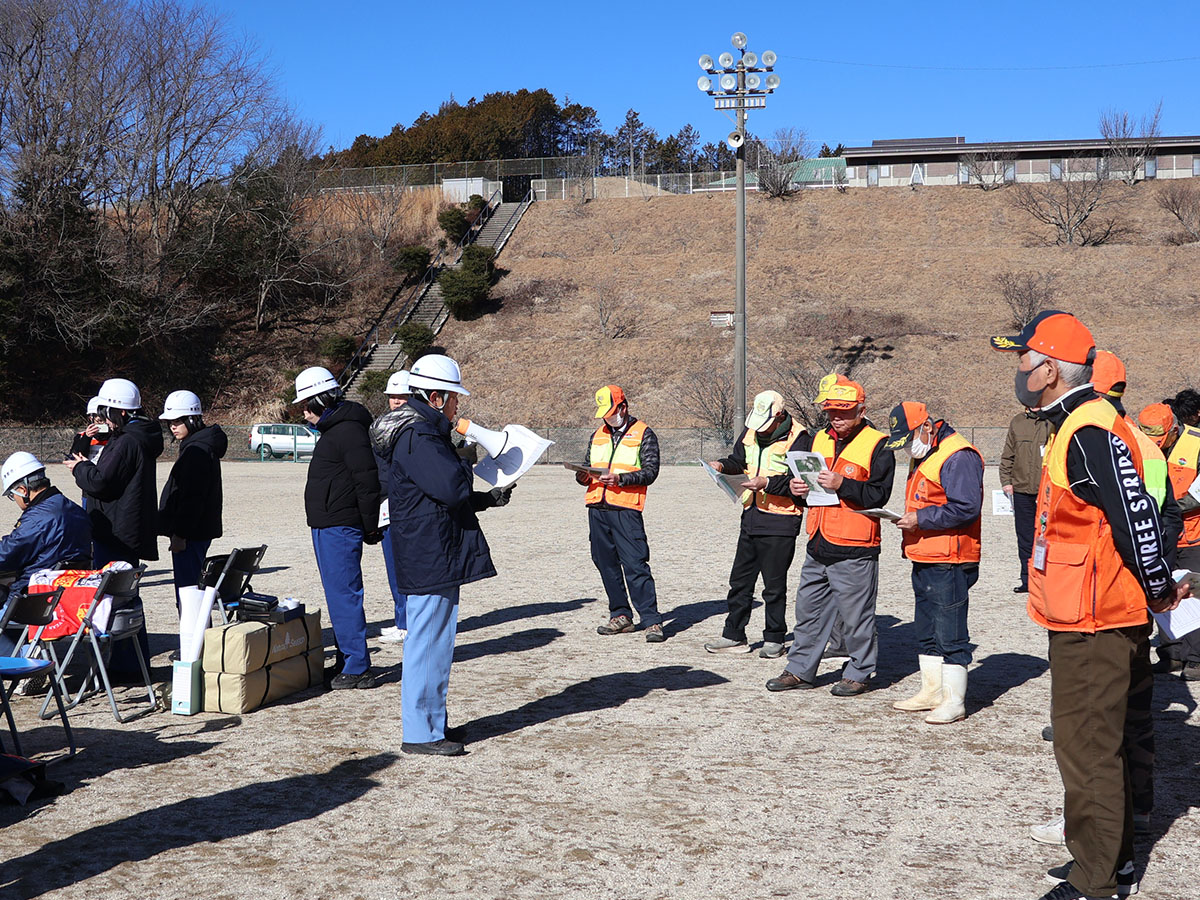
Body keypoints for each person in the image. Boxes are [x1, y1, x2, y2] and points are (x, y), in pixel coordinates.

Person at [991, 311, 1188, 900]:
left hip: (1096, 618)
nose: (1020, 369)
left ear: (1049, 368)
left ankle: (1094, 879)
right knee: (1107, 742)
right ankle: (1114, 860)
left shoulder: (1087, 429)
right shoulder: (1085, 422)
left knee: (1087, 749)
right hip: (1094, 611)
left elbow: (1136, 520)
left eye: (1024, 359)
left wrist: (1157, 588)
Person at [380, 354, 512, 757]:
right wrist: (464, 454)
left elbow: (438, 493)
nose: (458, 407)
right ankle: (421, 732)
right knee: (427, 642)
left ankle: (431, 721)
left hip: (431, 545)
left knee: (436, 640)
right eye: (454, 398)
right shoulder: (419, 435)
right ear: (436, 398)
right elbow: (450, 488)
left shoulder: (417, 431)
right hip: (429, 549)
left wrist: (485, 500)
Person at [766, 375, 895, 697]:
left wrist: (843, 485)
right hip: (818, 541)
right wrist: (797, 490)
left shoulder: (879, 444)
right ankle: (799, 670)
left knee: (856, 619)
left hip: (855, 547)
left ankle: (860, 672)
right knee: (807, 613)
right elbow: (806, 488)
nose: (837, 418)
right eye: (832, 412)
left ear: (861, 410)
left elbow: (879, 495)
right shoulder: (817, 439)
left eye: (844, 411)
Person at [886, 401, 983, 724]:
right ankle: (931, 691)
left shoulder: (959, 455)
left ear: (927, 426)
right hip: (926, 553)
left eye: (909, 437)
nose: (907, 448)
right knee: (927, 629)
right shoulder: (927, 451)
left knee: (951, 632)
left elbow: (966, 507)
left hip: (951, 558)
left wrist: (920, 518)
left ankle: (954, 701)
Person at [64, 377, 162, 675]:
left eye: (106, 412)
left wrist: (80, 467)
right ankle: (133, 664)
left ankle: (123, 666)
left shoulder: (127, 441)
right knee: (126, 595)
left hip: (116, 531)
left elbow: (101, 482)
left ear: (118, 411)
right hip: (128, 528)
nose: (105, 419)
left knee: (112, 599)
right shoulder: (143, 436)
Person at [296, 366, 381, 690]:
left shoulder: (346, 430)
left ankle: (358, 665)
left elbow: (367, 481)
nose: (303, 411)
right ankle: (349, 658)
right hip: (329, 524)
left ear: (322, 399)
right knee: (338, 596)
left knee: (344, 596)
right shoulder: (336, 429)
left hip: (340, 525)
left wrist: (370, 527)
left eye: (307, 404)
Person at [703, 390, 806, 657]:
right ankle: (734, 635)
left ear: (780, 415)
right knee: (740, 581)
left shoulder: (801, 438)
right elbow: (739, 461)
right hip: (751, 515)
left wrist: (768, 483)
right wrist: (722, 466)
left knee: (773, 585)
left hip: (781, 521)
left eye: (766, 423)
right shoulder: (750, 432)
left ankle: (774, 637)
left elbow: (801, 482)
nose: (759, 429)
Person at [577, 385, 665, 642]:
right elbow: (587, 467)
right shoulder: (597, 435)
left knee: (635, 564)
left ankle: (651, 621)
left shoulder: (644, 433)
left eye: (611, 411)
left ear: (623, 407)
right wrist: (582, 476)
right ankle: (620, 615)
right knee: (605, 563)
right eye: (604, 413)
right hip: (597, 507)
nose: (608, 417)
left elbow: (651, 471)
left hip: (626, 508)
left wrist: (622, 479)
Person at [0, 453, 92, 655]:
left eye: (12, 495)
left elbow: (5, 555)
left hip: (32, 600)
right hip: (64, 596)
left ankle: (25, 654)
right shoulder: (74, 510)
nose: (14, 500)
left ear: (23, 490)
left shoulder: (37, 519)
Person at [1137, 401, 1200, 679]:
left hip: (1192, 535)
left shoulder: (1197, 444)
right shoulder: (1135, 443)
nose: (1156, 445)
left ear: (1174, 429)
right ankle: (1171, 654)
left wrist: (1168, 507)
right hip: (1159, 534)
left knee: (1193, 596)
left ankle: (1196, 659)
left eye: (1161, 439)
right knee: (1162, 593)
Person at [157, 391, 227, 615]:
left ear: (193, 419)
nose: (173, 427)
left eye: (178, 421)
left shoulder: (196, 451)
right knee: (194, 594)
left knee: (189, 596)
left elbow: (192, 498)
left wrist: (180, 534)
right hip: (196, 533)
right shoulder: (199, 445)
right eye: (170, 422)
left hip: (190, 535)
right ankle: (199, 645)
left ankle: (195, 647)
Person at [373, 370, 410, 646]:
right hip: (387, 506)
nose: (396, 401)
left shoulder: (414, 428)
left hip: (403, 505)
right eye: (392, 397)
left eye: (401, 397)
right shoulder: (380, 426)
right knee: (393, 567)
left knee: (404, 567)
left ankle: (407, 623)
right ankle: (401, 620)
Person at [999, 406, 1051, 593]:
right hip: (1021, 491)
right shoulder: (1018, 422)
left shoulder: (1053, 421)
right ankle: (1027, 580)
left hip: (1047, 492)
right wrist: (1006, 481)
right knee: (1025, 538)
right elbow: (1008, 455)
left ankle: (1048, 581)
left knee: (1048, 537)